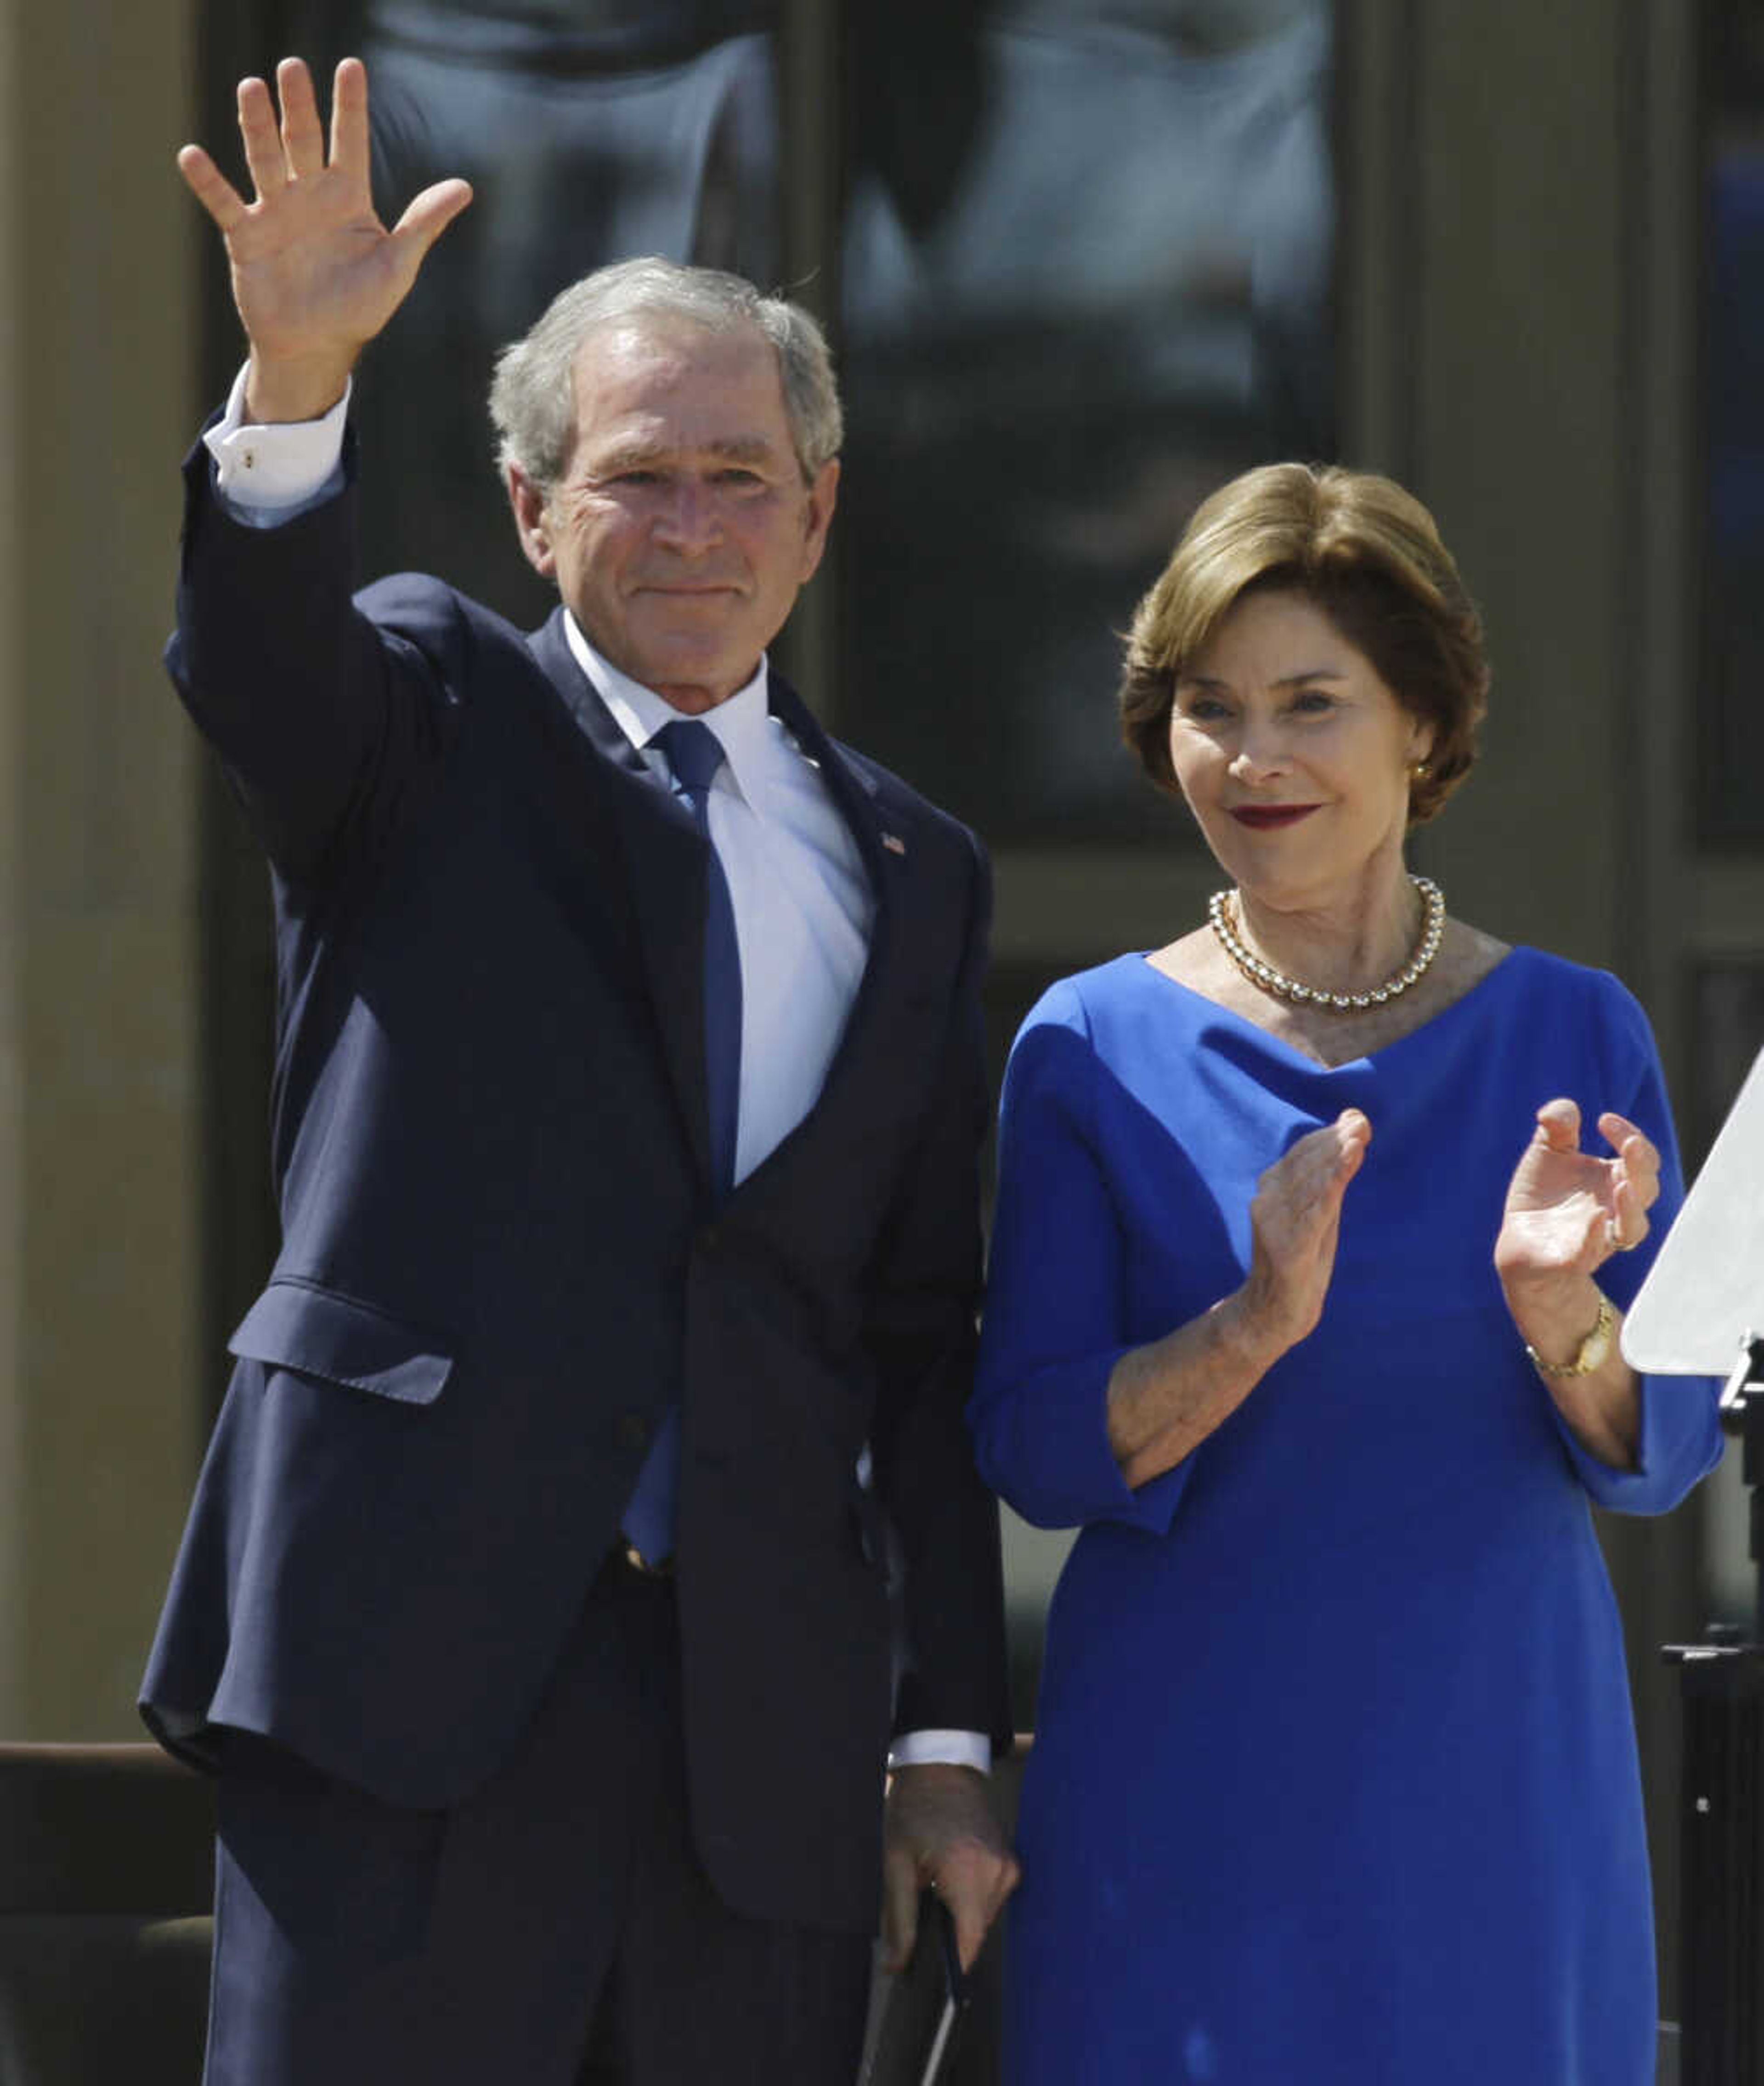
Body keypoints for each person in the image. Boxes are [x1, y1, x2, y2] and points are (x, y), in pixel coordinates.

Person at [143, 55, 1017, 2086]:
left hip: (759, 1757)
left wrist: (946, 1744)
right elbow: (263, 670)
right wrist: (291, 384)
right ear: (535, 510)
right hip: (405, 1702)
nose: (694, 523)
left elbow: (913, 1332)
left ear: (821, 512)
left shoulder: (916, 869)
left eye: (742, 474)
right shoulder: (431, 718)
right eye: (638, 474)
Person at [967, 460, 1723, 2085]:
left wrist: (1558, 1315)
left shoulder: (1577, 1032)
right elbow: (1031, 1447)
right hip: (1180, 1808)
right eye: (1210, 706)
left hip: (1495, 1806)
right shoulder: (1088, 1045)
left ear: (1426, 727)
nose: (1254, 758)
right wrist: (1250, 1329)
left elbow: (1666, 1450)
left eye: (1313, 702)